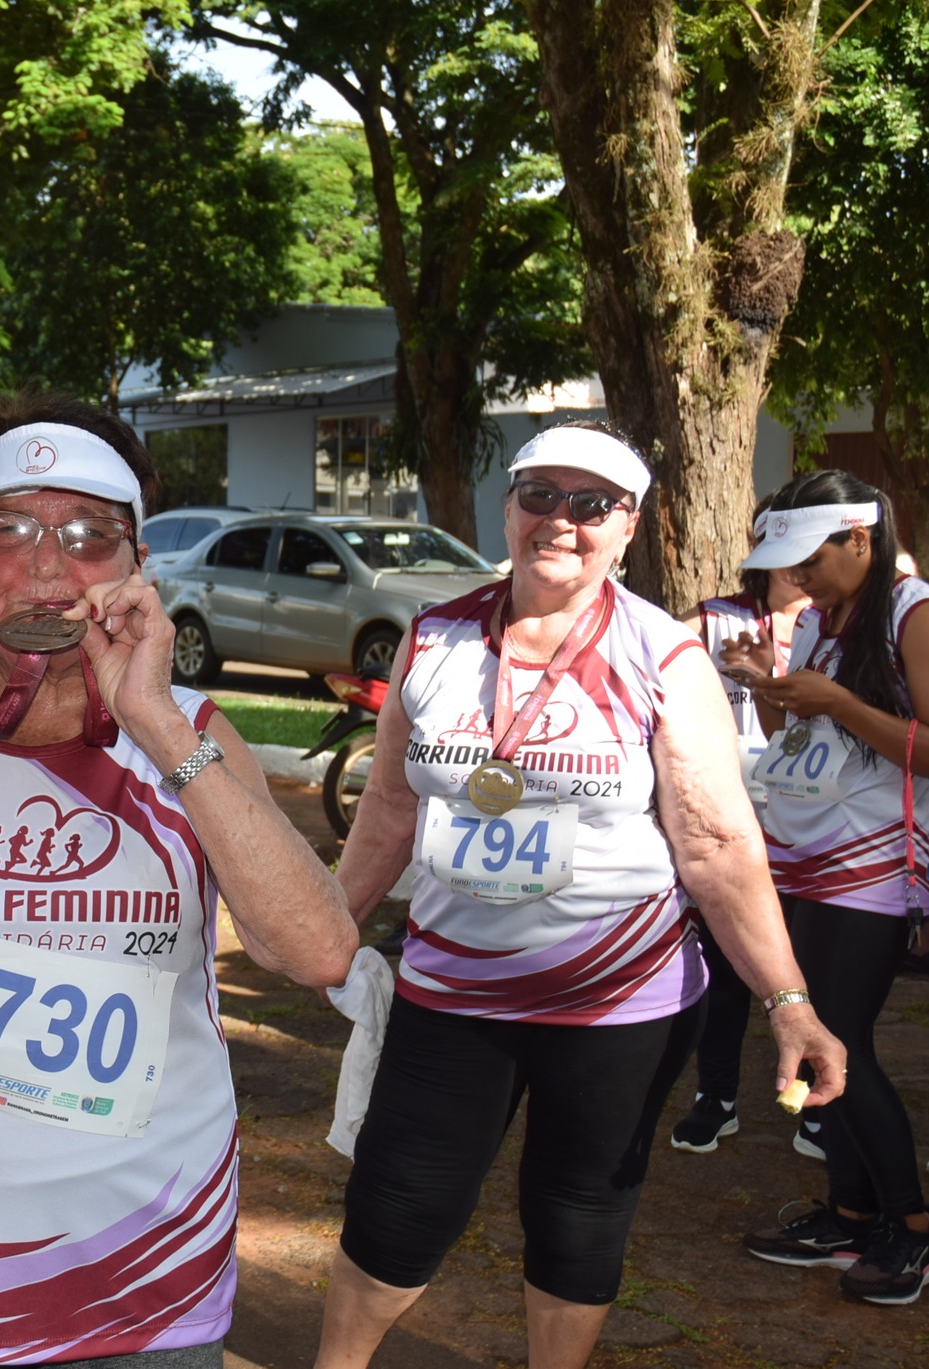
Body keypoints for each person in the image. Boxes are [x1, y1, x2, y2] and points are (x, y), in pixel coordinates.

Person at [0, 395, 357, 1368]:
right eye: (8, 529)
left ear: (135, 568)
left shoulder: (187, 737)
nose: (45, 564)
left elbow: (316, 950)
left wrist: (158, 723)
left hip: (146, 1280)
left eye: (88, 534)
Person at [312, 423, 845, 1369]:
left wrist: (789, 1001)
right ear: (509, 505)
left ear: (628, 525)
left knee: (579, 1210)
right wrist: (317, 931)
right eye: (541, 495)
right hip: (453, 993)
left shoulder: (664, 656)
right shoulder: (435, 638)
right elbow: (390, 807)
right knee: (398, 1200)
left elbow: (718, 845)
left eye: (591, 504)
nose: (561, 520)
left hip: (617, 1000)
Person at [727, 469, 929, 1305]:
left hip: (873, 870)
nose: (795, 579)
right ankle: (853, 1209)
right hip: (809, 860)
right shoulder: (833, 617)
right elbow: (815, 734)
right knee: (817, 1039)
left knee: (840, 1045)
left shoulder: (921, 616)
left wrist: (833, 699)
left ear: (861, 539)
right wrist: (772, 690)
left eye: (809, 559)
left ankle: (914, 1230)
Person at [666, 497, 817, 1156]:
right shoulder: (710, 619)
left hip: (813, 827)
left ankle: (814, 1097)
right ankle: (716, 1095)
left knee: (809, 965)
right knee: (727, 965)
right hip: (728, 822)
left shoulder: (834, 626)